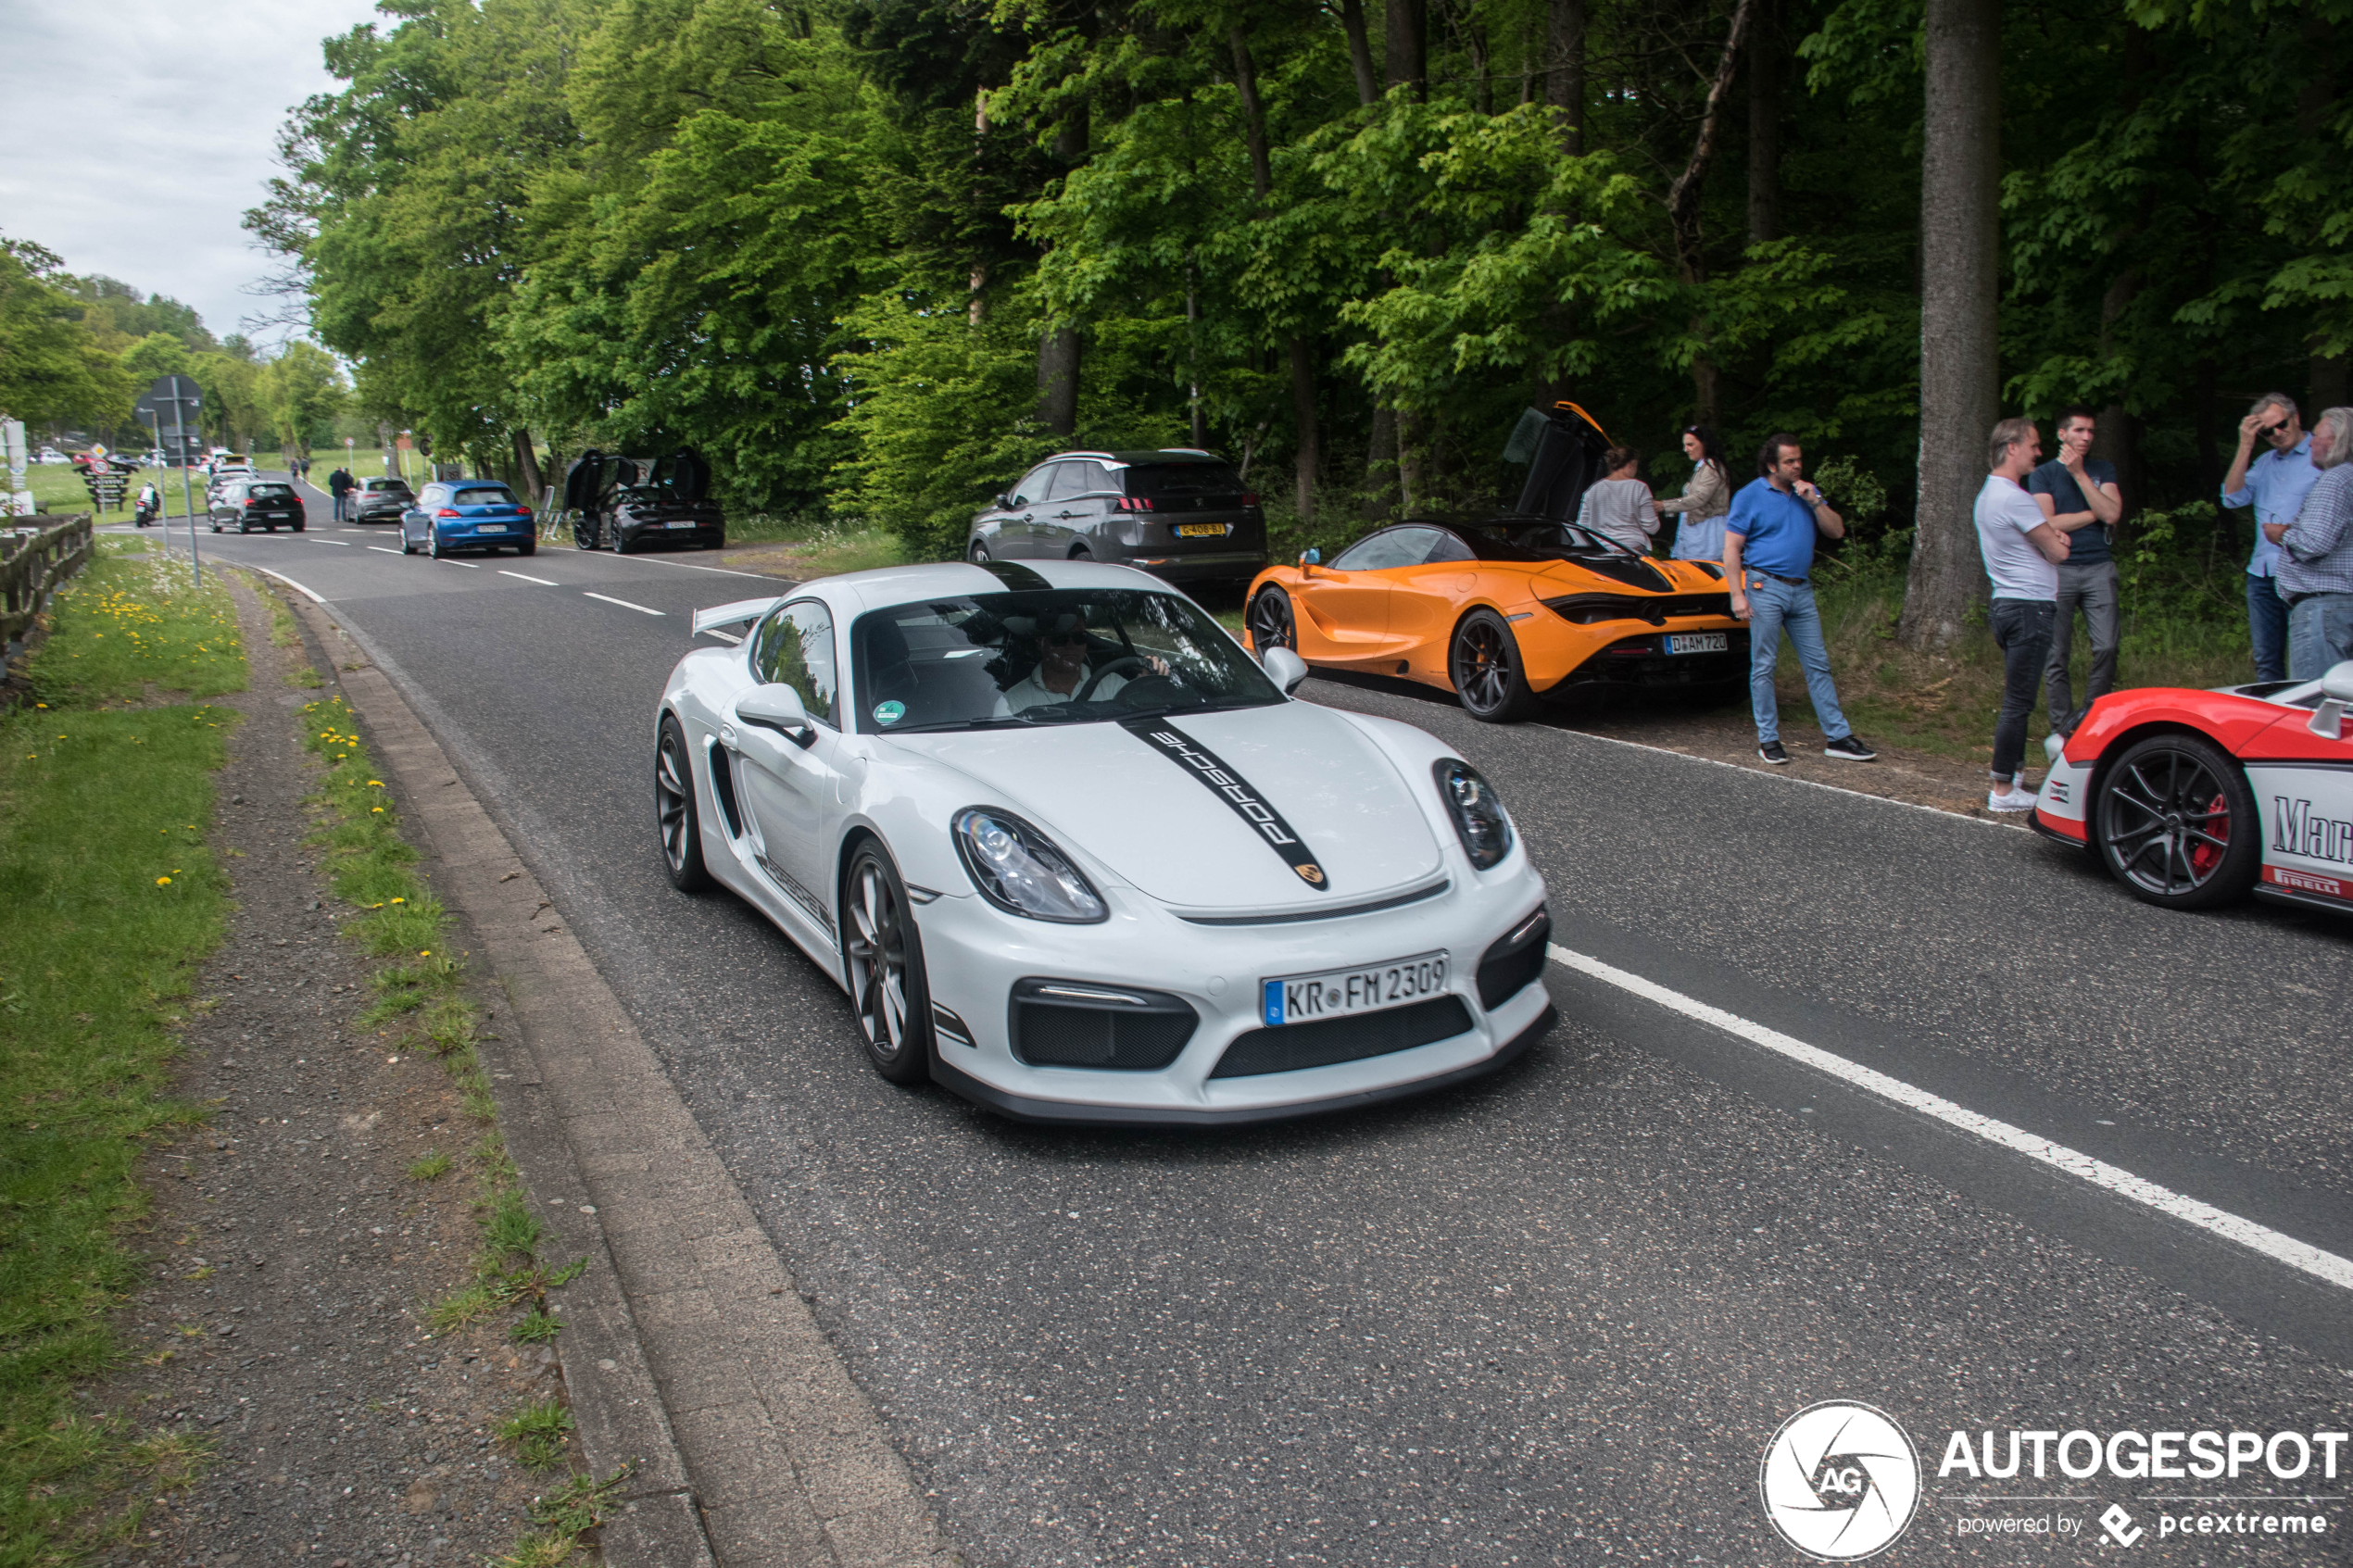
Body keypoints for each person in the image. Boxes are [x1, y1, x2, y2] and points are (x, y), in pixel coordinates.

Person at [1724, 434, 1877, 765]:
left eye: (1799, 460)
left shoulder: (1807, 492)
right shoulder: (1749, 496)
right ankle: (1769, 739)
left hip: (1801, 588)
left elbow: (1836, 531)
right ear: (1771, 464)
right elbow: (1732, 547)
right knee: (1764, 665)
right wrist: (1737, 594)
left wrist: (1815, 502)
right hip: (1765, 586)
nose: (1797, 466)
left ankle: (1837, 737)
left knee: (1818, 663)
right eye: (1790, 461)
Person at [1974, 418, 2073, 812]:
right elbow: (2059, 551)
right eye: (2033, 444)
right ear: (2012, 447)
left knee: (2017, 695)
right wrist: (2056, 538)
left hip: (2005, 604)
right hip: (2029, 607)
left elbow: (2041, 539)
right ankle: (2003, 789)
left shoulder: (1987, 493)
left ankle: (2011, 774)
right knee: (2019, 701)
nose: (2039, 451)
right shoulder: (2015, 497)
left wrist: (2051, 536)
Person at [2028, 407, 2122, 734]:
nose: (2086, 437)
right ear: (2062, 434)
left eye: (2091, 432)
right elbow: (2048, 522)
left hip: (2099, 565)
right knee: (2056, 655)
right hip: (2059, 569)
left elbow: (2112, 514)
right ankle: (2062, 729)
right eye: (2080, 431)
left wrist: (2081, 475)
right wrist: (2093, 512)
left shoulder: (2101, 468)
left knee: (2107, 647)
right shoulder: (2043, 474)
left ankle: (2091, 722)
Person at [2221, 393, 2321, 682]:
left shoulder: (2322, 456)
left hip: (2305, 571)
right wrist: (2245, 446)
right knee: (2266, 662)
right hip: (2262, 574)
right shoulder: (2264, 462)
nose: (2276, 434)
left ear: (2296, 417)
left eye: (2281, 425)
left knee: (2307, 661)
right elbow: (2232, 497)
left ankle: (2307, 723)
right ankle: (2273, 722)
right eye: (2266, 431)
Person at [2266, 405, 2353, 681]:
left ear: (2337, 441)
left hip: (2323, 610)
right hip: (2342, 607)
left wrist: (2281, 534)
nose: (2311, 441)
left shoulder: (2335, 479)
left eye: (2316, 435)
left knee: (2316, 706)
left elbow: (2313, 543)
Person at [994, 611, 1166, 715]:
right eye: (1060, 638)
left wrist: (1148, 686)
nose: (1071, 645)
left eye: (1079, 637)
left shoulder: (1112, 684)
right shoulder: (1013, 702)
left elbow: (1144, 720)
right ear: (1041, 643)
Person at [1657, 424, 1733, 563]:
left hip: (1707, 531)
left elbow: (1699, 498)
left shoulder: (1712, 467)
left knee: (1703, 571)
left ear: (1704, 444)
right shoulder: (1703, 466)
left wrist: (1664, 506)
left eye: (1690, 445)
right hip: (1697, 529)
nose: (1685, 449)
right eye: (1685, 445)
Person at [1573, 446, 1659, 553]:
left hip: (1601, 552)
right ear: (1632, 464)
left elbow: (1582, 527)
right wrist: (1655, 515)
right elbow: (1651, 528)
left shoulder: (1593, 490)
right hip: (1632, 551)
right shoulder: (1639, 488)